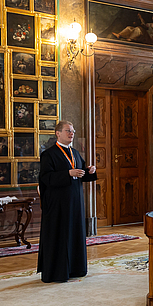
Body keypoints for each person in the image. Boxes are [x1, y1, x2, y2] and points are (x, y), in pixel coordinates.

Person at [37, 121, 97, 283]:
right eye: (68, 131)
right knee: (61, 236)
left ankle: (76, 269)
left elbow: (81, 173)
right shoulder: (49, 154)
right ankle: (58, 272)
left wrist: (89, 171)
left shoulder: (75, 153)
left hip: (75, 202)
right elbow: (46, 178)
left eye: (73, 131)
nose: (72, 133)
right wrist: (68, 174)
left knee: (75, 234)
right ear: (58, 133)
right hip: (58, 204)